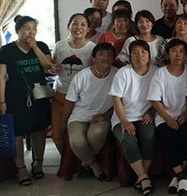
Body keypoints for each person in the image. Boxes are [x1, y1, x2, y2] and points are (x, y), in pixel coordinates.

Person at [0, 16, 53, 185]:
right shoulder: (6, 50)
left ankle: (38, 163)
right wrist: (2, 101)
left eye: (34, 28)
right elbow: (1, 76)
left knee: (39, 130)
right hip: (16, 96)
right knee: (18, 132)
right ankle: (21, 169)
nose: (31, 32)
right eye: (27, 28)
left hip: (39, 93)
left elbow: (47, 65)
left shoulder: (41, 46)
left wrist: (35, 47)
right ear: (18, 30)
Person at [63, 43, 118, 181]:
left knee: (96, 135)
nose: (105, 58)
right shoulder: (82, 76)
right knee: (77, 141)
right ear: (93, 58)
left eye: (109, 55)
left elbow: (121, 101)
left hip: (103, 116)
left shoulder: (117, 74)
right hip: (79, 116)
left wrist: (105, 116)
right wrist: (63, 122)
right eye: (101, 55)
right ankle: (92, 164)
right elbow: (70, 101)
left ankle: (84, 161)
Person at [110, 40, 157, 196]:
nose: (139, 56)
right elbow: (116, 99)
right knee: (128, 139)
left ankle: (142, 177)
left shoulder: (156, 72)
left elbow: (160, 98)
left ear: (149, 55)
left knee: (149, 136)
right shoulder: (124, 72)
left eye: (143, 52)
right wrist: (124, 121)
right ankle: (143, 177)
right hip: (123, 117)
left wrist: (151, 111)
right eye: (135, 53)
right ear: (130, 56)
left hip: (146, 115)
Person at [148, 39, 187, 195]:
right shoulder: (160, 73)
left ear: (186, 54)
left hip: (186, 115)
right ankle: (182, 176)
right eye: (173, 51)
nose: (177, 55)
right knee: (169, 138)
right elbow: (155, 100)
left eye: (181, 51)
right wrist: (168, 119)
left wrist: (186, 114)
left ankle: (178, 177)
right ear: (168, 54)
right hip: (164, 116)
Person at [51, 13, 96, 154]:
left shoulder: (92, 48)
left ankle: (79, 161)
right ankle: (65, 161)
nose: (78, 27)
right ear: (68, 27)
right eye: (74, 23)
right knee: (57, 133)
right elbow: (52, 66)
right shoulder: (59, 46)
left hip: (81, 98)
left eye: (83, 24)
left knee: (78, 134)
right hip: (60, 94)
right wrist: (53, 69)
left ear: (88, 29)